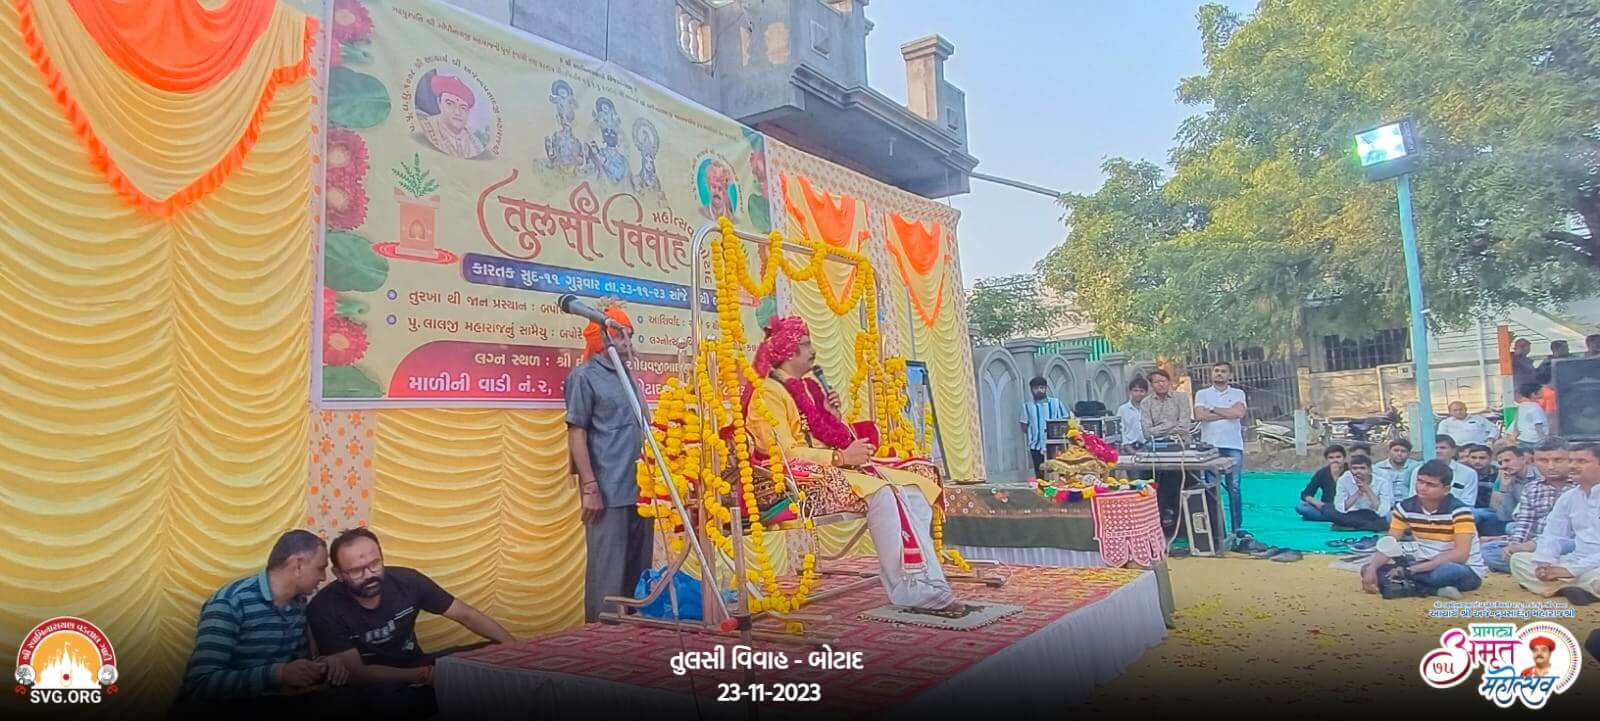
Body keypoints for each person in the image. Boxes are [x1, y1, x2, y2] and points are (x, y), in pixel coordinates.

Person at [745, 316, 960, 611]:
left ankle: (928, 579)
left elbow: (828, 436)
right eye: (806, 345)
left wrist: (833, 416)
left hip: (827, 468)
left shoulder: (808, 388)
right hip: (792, 479)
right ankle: (905, 588)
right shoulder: (769, 392)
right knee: (883, 493)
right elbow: (782, 451)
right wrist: (841, 458)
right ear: (789, 352)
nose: (813, 351)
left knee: (915, 488)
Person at [307, 529, 512, 718]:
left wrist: (517, 648)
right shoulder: (324, 607)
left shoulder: (408, 581)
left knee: (492, 655)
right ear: (339, 574)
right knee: (384, 702)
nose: (369, 575)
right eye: (356, 571)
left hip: (417, 664)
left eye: (375, 564)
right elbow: (357, 673)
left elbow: (467, 615)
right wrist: (422, 676)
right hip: (375, 683)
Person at [172, 531, 361, 719]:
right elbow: (199, 684)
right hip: (225, 708)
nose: (323, 578)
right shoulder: (231, 602)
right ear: (298, 565)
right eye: (320, 568)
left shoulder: (299, 603)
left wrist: (322, 666)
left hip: (276, 703)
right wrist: (277, 674)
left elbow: (297, 666)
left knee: (350, 699)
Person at [563, 299, 652, 622]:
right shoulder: (583, 376)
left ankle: (636, 637)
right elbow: (577, 432)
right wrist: (590, 487)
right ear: (601, 339)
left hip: (643, 491)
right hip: (607, 491)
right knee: (608, 577)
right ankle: (601, 640)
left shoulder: (629, 377)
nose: (627, 343)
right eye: (620, 335)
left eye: (630, 336)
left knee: (639, 576)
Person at [1361, 460, 1487, 599]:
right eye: (1420, 481)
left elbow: (1460, 555)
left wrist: (1411, 570)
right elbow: (1390, 543)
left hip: (1462, 567)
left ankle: (1409, 585)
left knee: (1442, 573)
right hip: (1424, 562)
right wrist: (1372, 568)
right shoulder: (1404, 508)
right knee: (1368, 568)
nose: (1422, 487)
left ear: (1446, 489)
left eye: (1430, 485)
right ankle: (1432, 590)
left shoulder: (1459, 511)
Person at [1510, 443, 1600, 605]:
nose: (1573, 466)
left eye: (1581, 461)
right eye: (1571, 461)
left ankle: (1568, 586)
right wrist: (1545, 562)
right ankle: (1576, 588)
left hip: (1592, 566)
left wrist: (1570, 570)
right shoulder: (1569, 497)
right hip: (1576, 560)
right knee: (1519, 560)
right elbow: (1552, 535)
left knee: (1596, 577)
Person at [1485, 439, 1574, 573]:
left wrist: (1532, 546)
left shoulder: (1581, 486)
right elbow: (1524, 522)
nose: (1550, 466)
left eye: (1558, 460)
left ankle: (1534, 567)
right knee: (1488, 551)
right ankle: (1548, 567)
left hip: (1568, 544)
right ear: (1534, 461)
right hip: (1535, 544)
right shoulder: (1532, 488)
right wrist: (1514, 545)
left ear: (1570, 460)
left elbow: (1576, 532)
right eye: (1543, 461)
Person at [1194, 361, 1249, 540]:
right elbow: (1199, 415)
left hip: (1233, 446)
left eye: (1223, 371)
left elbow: (1238, 414)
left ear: (1230, 375)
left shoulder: (1238, 393)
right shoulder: (1202, 394)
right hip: (1210, 447)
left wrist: (1212, 409)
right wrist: (1227, 412)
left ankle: (1237, 527)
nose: (1219, 374)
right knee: (1211, 487)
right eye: (1216, 371)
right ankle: (1216, 528)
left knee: (1234, 487)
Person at [1141, 369, 1194, 530]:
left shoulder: (1181, 398)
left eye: (1163, 381)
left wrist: (1160, 429)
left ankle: (1179, 519)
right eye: (1156, 382)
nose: (1161, 384)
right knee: (1154, 481)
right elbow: (1147, 432)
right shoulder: (1146, 403)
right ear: (1152, 385)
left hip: (1180, 448)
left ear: (1169, 382)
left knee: (1178, 479)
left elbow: (1184, 427)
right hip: (1156, 450)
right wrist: (1171, 426)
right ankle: (1160, 519)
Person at [415, 72, 487, 159]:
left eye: (463, 107)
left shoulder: (476, 145)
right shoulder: (422, 128)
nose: (457, 112)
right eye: (450, 104)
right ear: (439, 103)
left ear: (468, 112)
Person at [1327, 455, 1393, 533]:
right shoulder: (1343, 480)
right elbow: (1340, 508)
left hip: (1372, 514)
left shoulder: (1382, 482)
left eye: (1362, 468)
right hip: (1352, 514)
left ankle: (1351, 527)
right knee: (1329, 512)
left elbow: (1383, 511)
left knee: (1384, 522)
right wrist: (1358, 493)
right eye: (1354, 468)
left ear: (1370, 470)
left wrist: (1367, 489)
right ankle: (1365, 527)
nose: (1358, 471)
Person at [1406, 435, 1478, 507]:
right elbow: (1413, 496)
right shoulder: (1418, 470)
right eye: (1435, 448)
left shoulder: (1469, 473)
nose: (1438, 451)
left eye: (1443, 448)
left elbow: (1468, 502)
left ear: (1454, 451)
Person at [1020, 376, 1069, 478]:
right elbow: (1024, 425)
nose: (1039, 390)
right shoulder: (1027, 406)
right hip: (1036, 444)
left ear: (1046, 388)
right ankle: (1042, 488)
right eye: (1036, 388)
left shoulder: (1056, 403)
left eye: (1041, 388)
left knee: (1057, 471)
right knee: (1040, 473)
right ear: (1031, 390)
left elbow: (1065, 420)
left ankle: (1056, 488)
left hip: (1055, 444)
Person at [1296, 445, 1346, 522]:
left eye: (1338, 457)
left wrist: (1336, 476)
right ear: (1327, 460)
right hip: (1326, 507)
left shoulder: (1351, 471)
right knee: (1301, 507)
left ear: (1344, 458)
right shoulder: (1322, 473)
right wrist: (1319, 504)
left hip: (1346, 507)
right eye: (1331, 458)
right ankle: (1335, 518)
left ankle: (1330, 517)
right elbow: (1306, 494)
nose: (1335, 460)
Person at [1459, 444, 1501, 533]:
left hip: (1490, 510)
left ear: (1490, 459)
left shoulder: (1498, 474)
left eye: (1482, 458)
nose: (1477, 461)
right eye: (1473, 458)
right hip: (1465, 508)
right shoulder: (1462, 472)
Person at [1373, 439, 1420, 503]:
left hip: (1409, 503)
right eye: (1396, 450)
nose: (1399, 454)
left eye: (1403, 451)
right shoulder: (1379, 467)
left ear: (1409, 453)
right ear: (1389, 451)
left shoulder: (1415, 467)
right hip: (1385, 503)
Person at [1510, 382, 1549, 449]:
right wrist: (1544, 440)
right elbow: (1538, 426)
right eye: (1540, 391)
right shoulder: (1536, 408)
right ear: (1533, 394)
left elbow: (1516, 422)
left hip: (1523, 438)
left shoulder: (1521, 406)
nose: (1543, 392)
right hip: (1535, 440)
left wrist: (1514, 436)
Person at [1117, 377, 1148, 450]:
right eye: (1135, 390)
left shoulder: (1149, 408)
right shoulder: (1123, 409)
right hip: (1129, 447)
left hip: (1148, 446)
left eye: (1141, 391)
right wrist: (1127, 446)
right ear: (1130, 392)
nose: (1138, 394)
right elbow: (1120, 430)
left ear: (1146, 393)